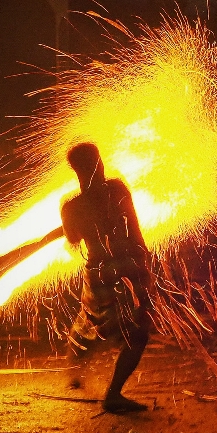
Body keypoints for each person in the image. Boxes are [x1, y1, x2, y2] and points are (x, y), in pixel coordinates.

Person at [61, 143, 151, 413]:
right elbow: (134, 227)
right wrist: (144, 260)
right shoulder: (117, 189)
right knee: (137, 334)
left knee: (91, 318)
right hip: (124, 270)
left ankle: (74, 369)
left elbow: (73, 240)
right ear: (98, 163)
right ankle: (113, 395)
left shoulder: (71, 207)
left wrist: (77, 223)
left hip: (97, 273)